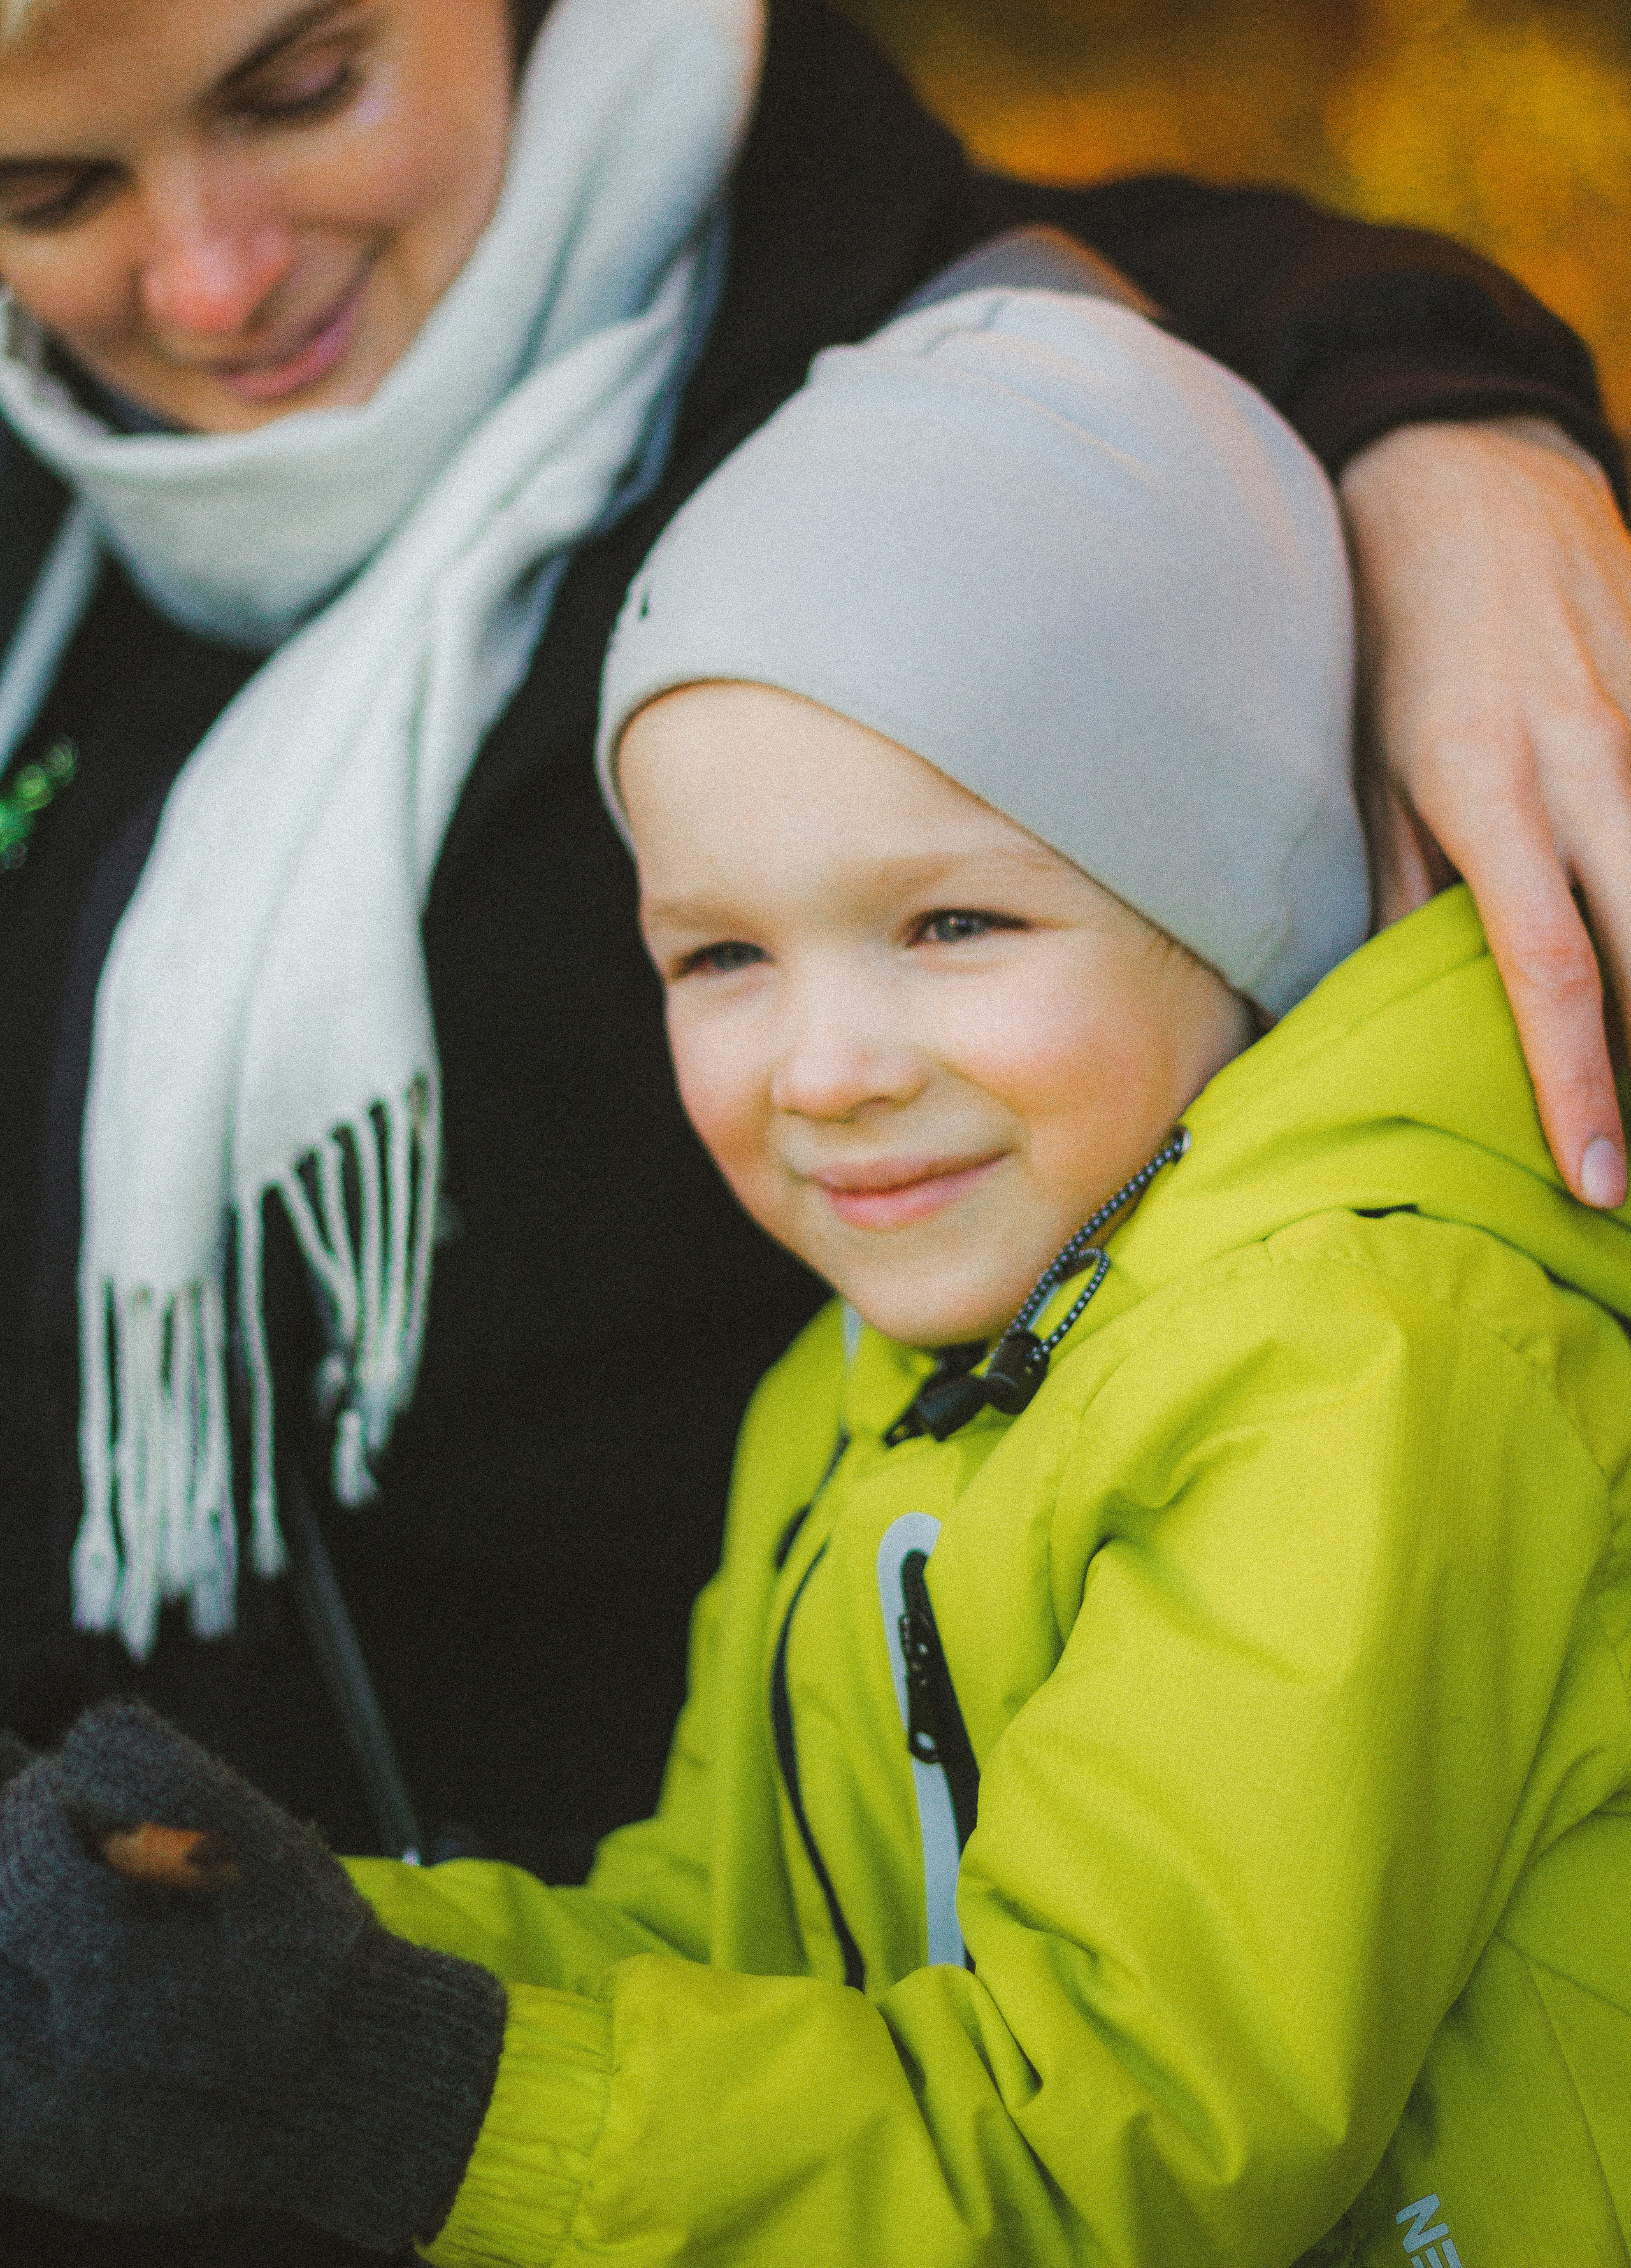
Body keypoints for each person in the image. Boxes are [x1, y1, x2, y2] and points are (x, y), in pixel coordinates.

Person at [4, 288, 1626, 2265]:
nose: (829, 1068)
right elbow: (727, 1951)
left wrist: (395, 2082)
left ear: (1238, 885)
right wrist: (268, 1951)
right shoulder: (866, 1386)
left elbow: (1099, 2150)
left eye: (952, 922)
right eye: (723, 959)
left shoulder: (1362, 1368)